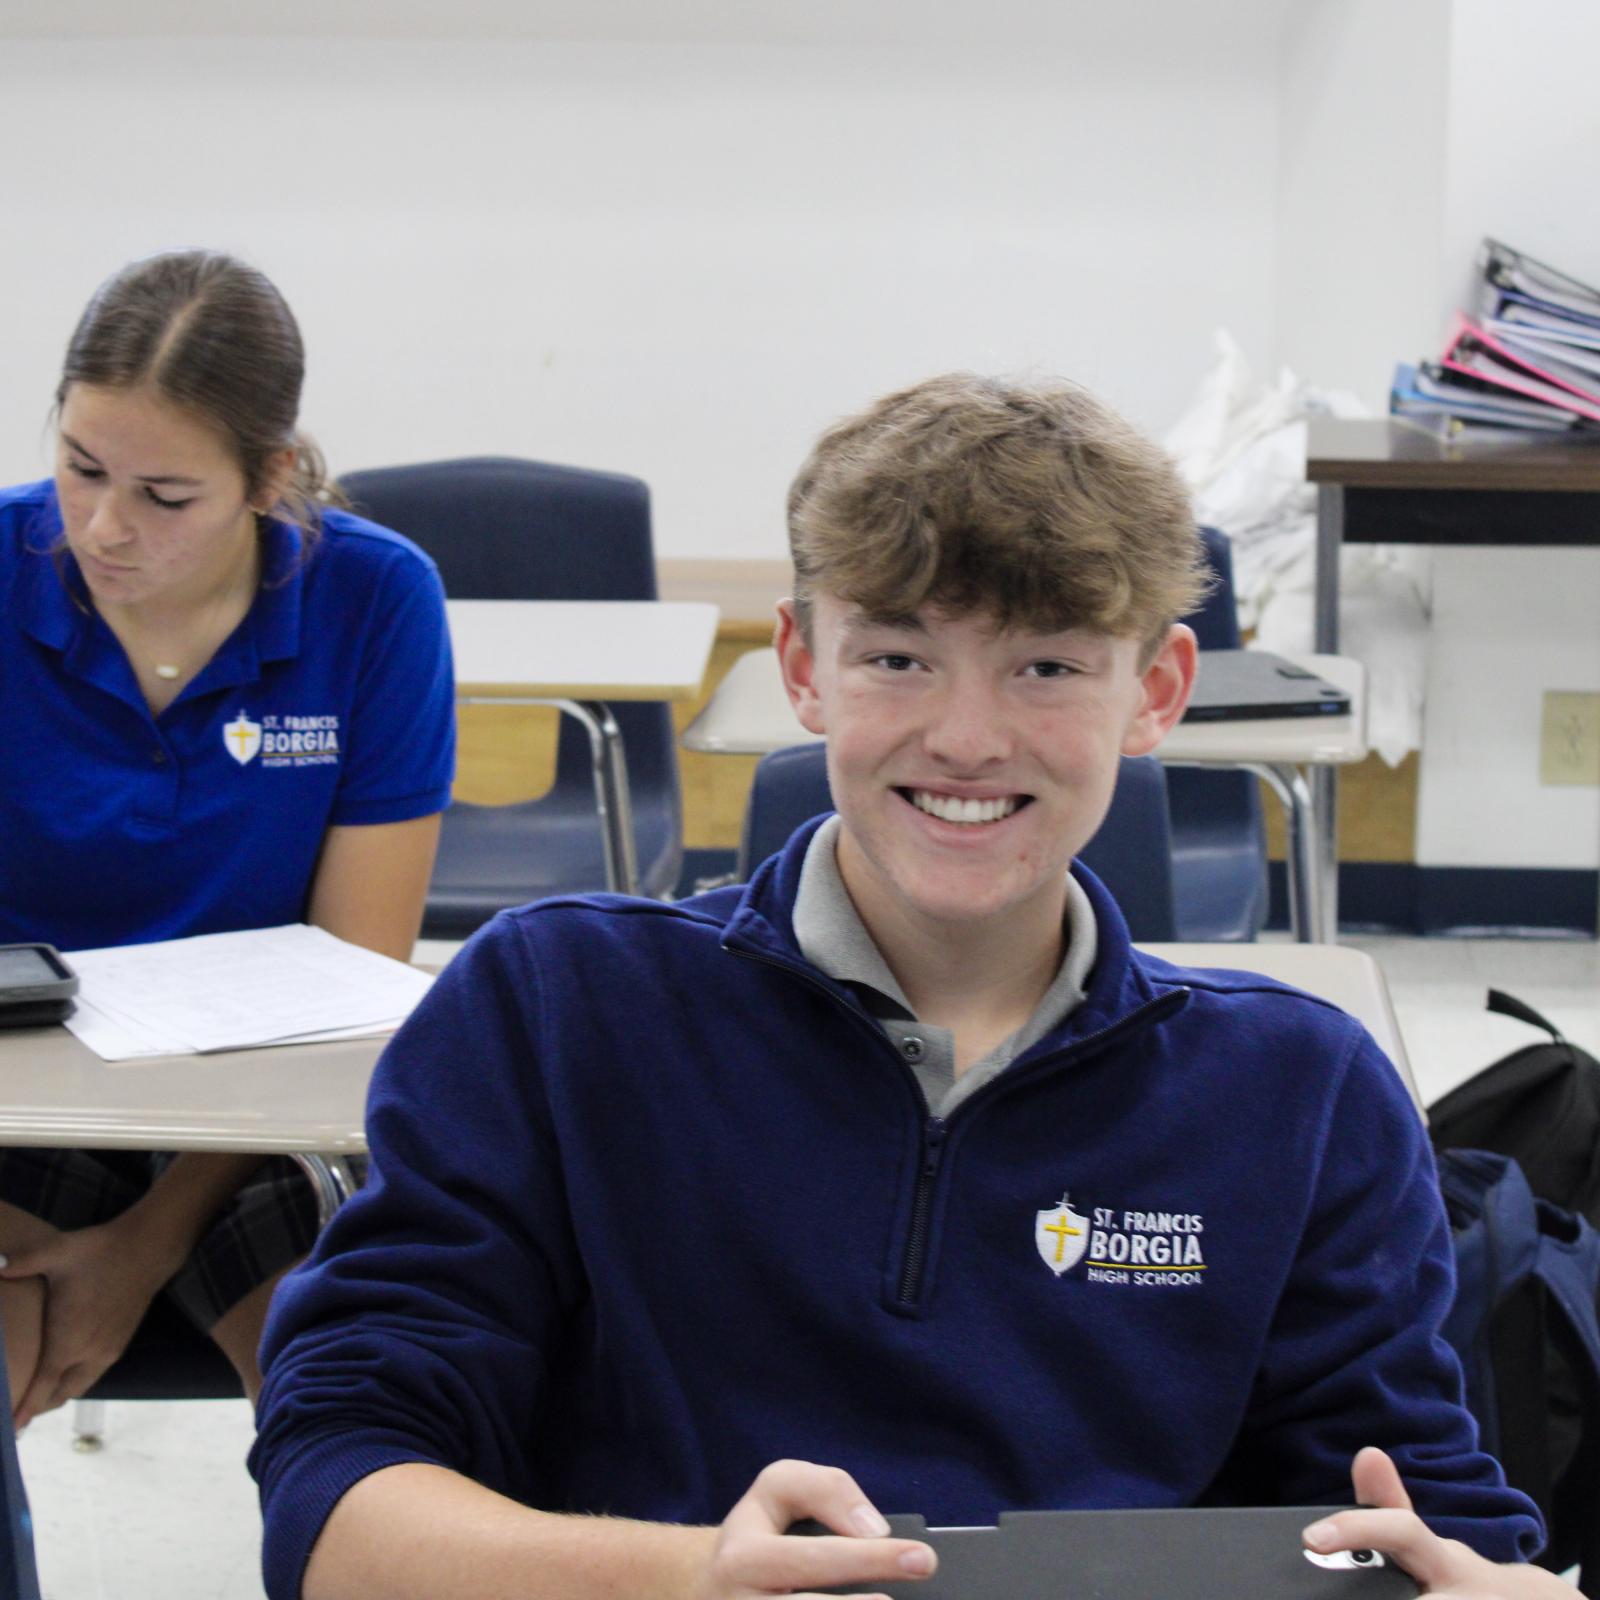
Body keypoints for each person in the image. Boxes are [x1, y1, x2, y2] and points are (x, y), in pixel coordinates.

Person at [252, 374, 1563, 1600]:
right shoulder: (554, 1009)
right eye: (899, 657)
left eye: (1047, 665)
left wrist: (1485, 1580)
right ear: (805, 666)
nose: (968, 737)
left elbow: (1434, 1522)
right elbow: (334, 1504)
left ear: (1156, 692)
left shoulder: (1301, 1092)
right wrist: (691, 1571)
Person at [0, 250, 455, 1428]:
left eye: (165, 497)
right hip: (23, 1092)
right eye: (80, 468)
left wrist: (145, 1248)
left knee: (352, 1404)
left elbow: (351, 990)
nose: (102, 528)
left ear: (270, 477)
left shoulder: (375, 599)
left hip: (265, 1105)